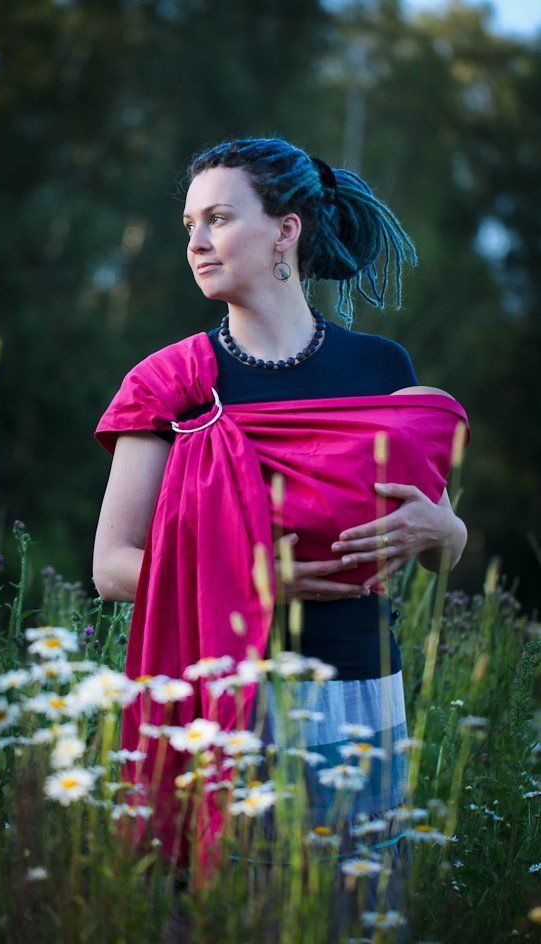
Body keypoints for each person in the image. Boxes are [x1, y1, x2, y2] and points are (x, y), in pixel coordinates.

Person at [92, 137, 470, 911]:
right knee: (235, 909)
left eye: (219, 218)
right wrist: (253, 579)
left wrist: (443, 533)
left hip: (362, 686)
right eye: (189, 225)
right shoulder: (173, 383)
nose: (196, 242)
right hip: (229, 700)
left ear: (285, 232)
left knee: (353, 913)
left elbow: (440, 539)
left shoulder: (381, 371)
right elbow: (111, 564)